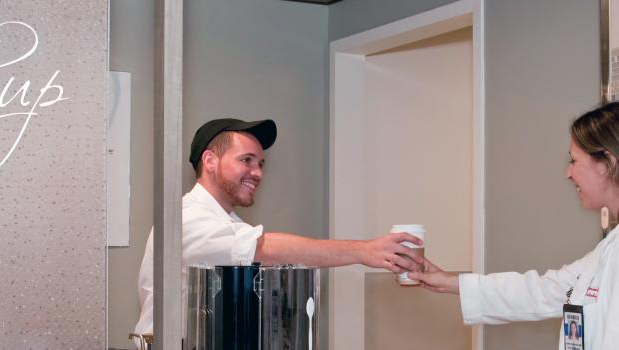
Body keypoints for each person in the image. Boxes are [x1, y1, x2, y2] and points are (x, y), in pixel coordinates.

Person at [133, 118, 425, 346]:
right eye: (246, 160)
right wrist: (365, 251)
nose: (257, 172)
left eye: (260, 164)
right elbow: (265, 248)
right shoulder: (186, 218)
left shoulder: (229, 224)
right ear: (209, 161)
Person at [408, 102, 619, 349]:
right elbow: (541, 291)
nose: (568, 173)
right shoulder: (607, 251)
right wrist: (447, 281)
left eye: (574, 161)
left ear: (607, 163)